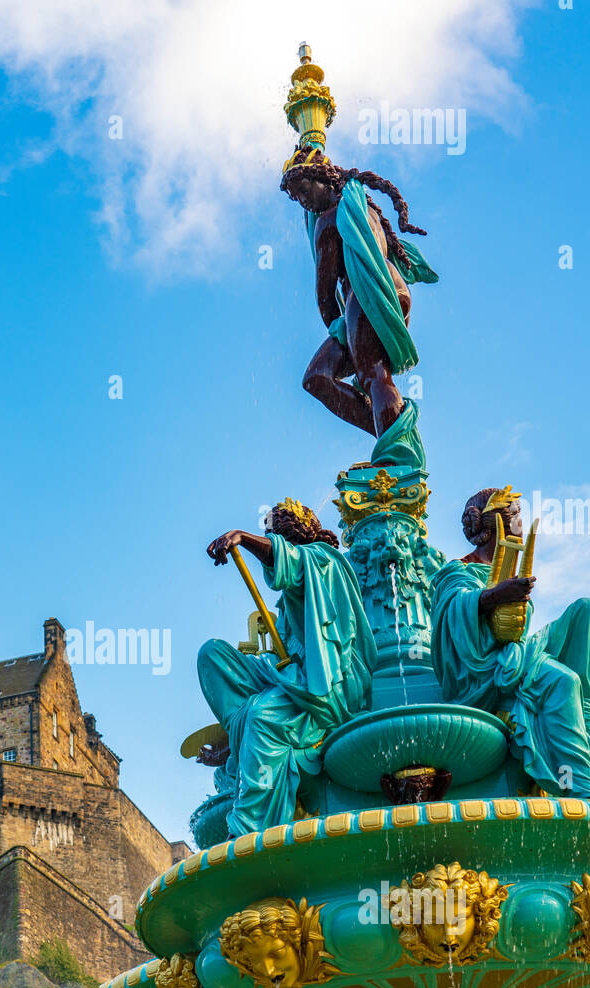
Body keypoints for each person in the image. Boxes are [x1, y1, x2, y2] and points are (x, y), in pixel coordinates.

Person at [197, 500, 375, 836]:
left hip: (327, 687)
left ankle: (250, 830)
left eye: (272, 535)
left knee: (263, 716)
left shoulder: (325, 560)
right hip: (293, 677)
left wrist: (242, 537)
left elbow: (290, 562)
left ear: (290, 535)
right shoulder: (296, 593)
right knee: (213, 656)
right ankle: (240, 734)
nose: (268, 540)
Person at [430, 487, 590, 798]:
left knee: (588, 612)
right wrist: (498, 595)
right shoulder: (458, 570)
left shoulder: (511, 567)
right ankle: (578, 788)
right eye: (512, 518)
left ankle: (586, 715)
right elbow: (453, 614)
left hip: (521, 653)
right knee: (561, 680)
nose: (519, 526)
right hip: (487, 670)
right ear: (490, 528)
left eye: (519, 518)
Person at [282, 151, 437, 442]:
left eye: (304, 190)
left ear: (323, 179)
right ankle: (389, 436)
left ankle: (395, 453)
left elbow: (324, 293)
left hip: (363, 296)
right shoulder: (361, 207)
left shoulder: (330, 220)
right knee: (339, 376)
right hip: (392, 287)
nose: (303, 200)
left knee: (366, 375)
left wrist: (336, 325)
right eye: (296, 197)